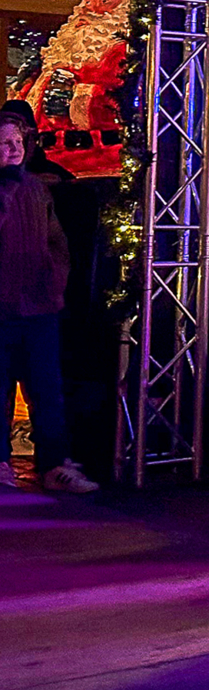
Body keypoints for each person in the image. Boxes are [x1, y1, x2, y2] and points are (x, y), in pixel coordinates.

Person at [0, 110, 97, 492]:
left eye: (17, 143)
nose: (12, 151)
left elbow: (57, 242)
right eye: (4, 144)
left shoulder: (38, 190)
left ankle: (54, 464)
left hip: (38, 307)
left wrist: (54, 281)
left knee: (46, 389)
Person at [17, 0, 130, 179]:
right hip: (45, 164)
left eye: (104, 0)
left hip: (98, 165)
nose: (89, 7)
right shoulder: (57, 53)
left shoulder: (121, 53)